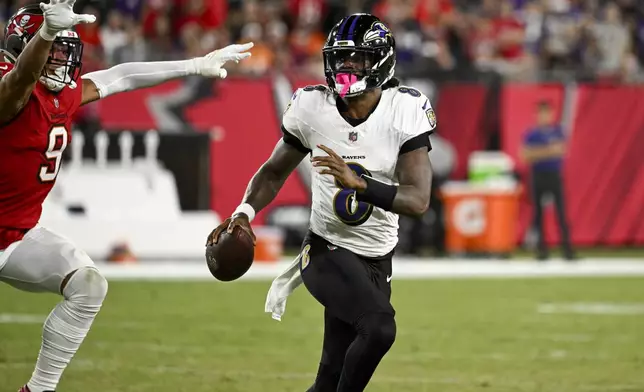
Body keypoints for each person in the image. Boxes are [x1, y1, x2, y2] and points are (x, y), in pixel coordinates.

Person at [0, 2, 252, 391]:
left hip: (16, 235)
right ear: (22, 46)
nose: (59, 61)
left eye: (63, 51)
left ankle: (38, 389)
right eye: (50, 49)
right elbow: (16, 88)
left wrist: (193, 64)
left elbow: (121, 76)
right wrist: (45, 34)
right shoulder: (10, 84)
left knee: (88, 285)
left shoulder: (63, 92)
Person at [207, 13, 435, 392]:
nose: (344, 68)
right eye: (339, 58)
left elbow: (418, 200)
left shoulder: (404, 111)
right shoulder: (313, 108)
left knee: (328, 380)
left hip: (378, 256)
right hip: (326, 248)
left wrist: (359, 183)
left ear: (380, 61)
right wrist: (243, 212)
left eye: (356, 59)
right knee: (379, 328)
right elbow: (273, 171)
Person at [521, 100, 575, 260]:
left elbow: (561, 151)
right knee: (538, 214)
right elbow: (525, 155)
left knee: (561, 212)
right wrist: (548, 151)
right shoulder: (532, 134)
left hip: (554, 174)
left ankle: (567, 249)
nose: (544, 117)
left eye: (547, 113)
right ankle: (542, 250)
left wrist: (538, 152)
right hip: (538, 175)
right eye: (541, 113)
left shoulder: (557, 131)